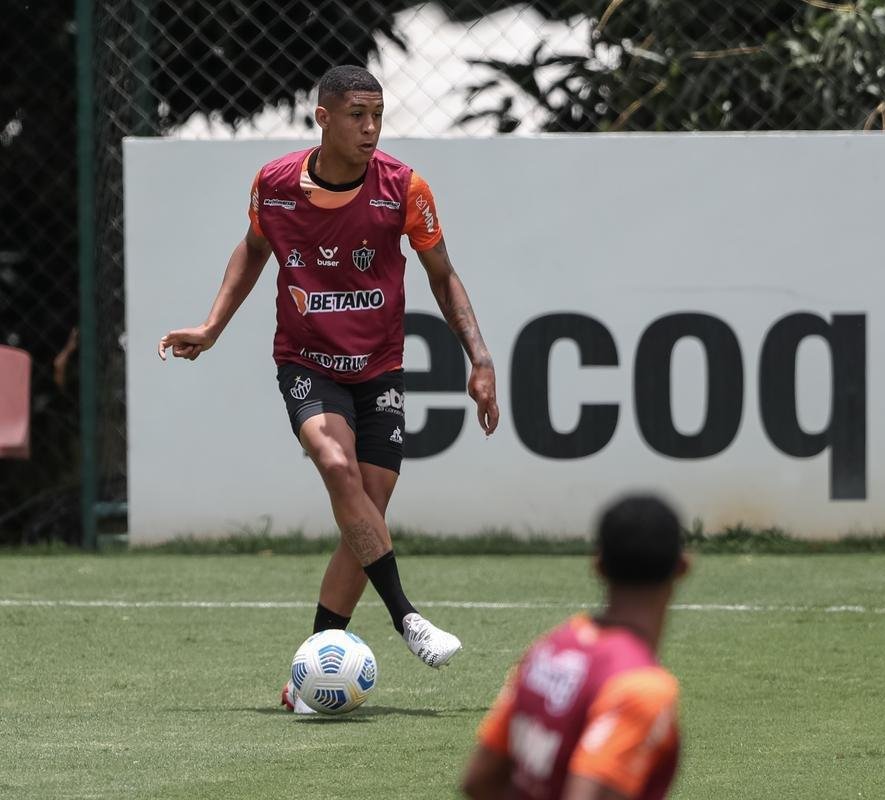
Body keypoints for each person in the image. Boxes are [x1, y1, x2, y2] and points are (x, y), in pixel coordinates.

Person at [157, 65, 499, 712]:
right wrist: (212, 326)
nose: (370, 128)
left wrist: (478, 359)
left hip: (380, 369)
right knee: (337, 466)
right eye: (356, 115)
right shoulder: (277, 185)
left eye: (377, 115)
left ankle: (309, 676)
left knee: (362, 515)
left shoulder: (405, 188)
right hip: (307, 363)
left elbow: (444, 276)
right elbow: (254, 249)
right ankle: (407, 617)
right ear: (323, 117)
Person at [461, 495, 687, 800]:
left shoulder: (549, 649)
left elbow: (479, 780)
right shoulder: (641, 687)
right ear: (682, 567)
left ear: (598, 565)